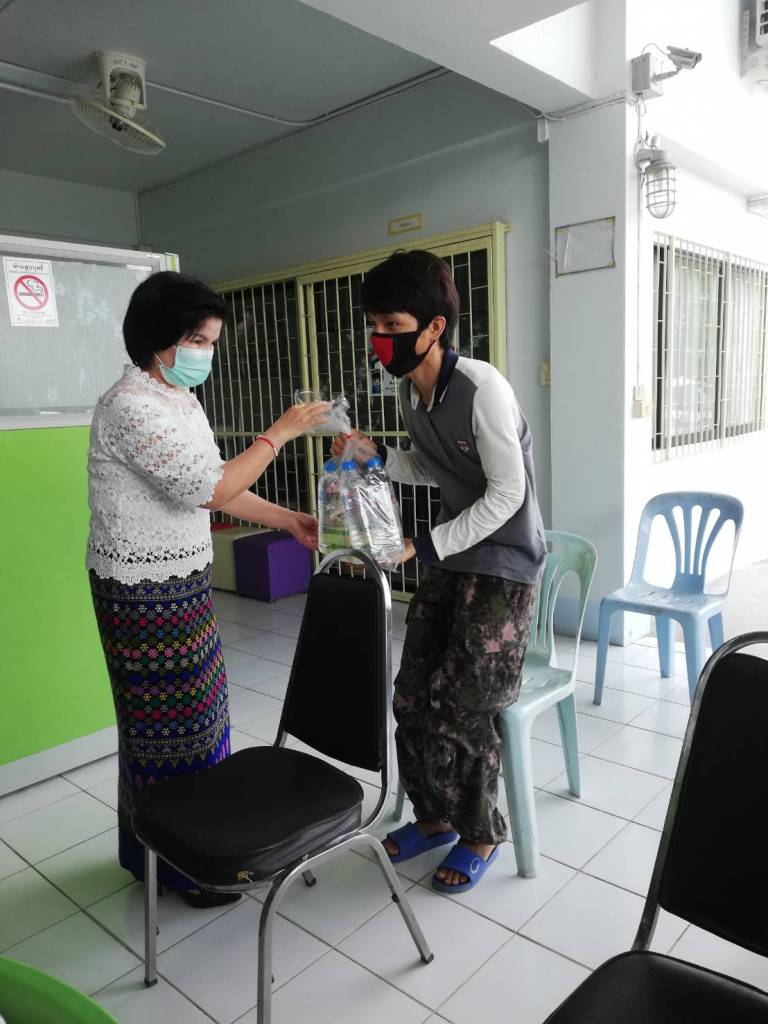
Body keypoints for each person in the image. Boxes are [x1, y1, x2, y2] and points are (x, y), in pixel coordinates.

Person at [87, 271, 328, 907]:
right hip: (140, 592)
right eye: (195, 339)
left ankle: (187, 853)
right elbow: (210, 488)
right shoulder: (129, 405)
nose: (205, 354)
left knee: (200, 717)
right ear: (157, 337)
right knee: (163, 728)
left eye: (212, 342)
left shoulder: (180, 400)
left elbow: (216, 485)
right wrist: (279, 433)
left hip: (183, 581)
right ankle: (180, 867)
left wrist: (286, 519)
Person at [332, 250, 546, 893]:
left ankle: (480, 831)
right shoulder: (410, 392)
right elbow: (434, 467)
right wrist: (378, 456)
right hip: (453, 556)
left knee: (463, 707)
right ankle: (434, 818)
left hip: (504, 566)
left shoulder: (483, 389)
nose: (381, 339)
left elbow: (508, 493)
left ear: (434, 327)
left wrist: (422, 545)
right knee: (410, 696)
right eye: (374, 325)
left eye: (393, 325)